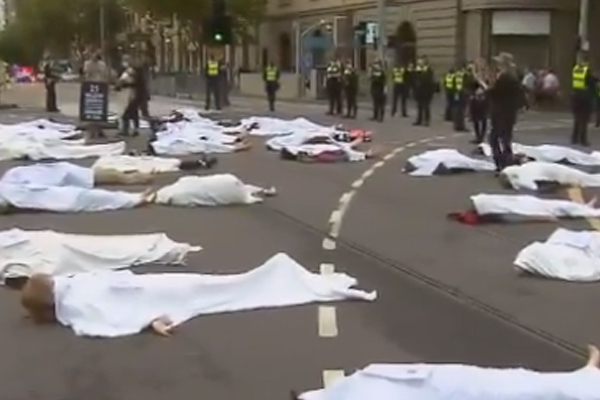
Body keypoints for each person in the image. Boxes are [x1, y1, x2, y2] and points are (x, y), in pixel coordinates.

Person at [487, 52, 523, 172]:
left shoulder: (505, 77)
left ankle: (502, 163)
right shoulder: (511, 76)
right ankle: (505, 163)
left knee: (496, 138)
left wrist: (487, 88)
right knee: (504, 138)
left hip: (502, 112)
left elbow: (496, 93)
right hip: (507, 112)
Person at [571, 57, 596, 146]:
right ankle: (583, 140)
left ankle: (574, 138)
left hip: (576, 96)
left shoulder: (575, 70)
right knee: (584, 120)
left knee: (577, 119)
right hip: (585, 98)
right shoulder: (587, 72)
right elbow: (592, 83)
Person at [116, 62, 141, 137]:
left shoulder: (131, 72)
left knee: (128, 113)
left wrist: (121, 84)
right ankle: (130, 129)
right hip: (129, 95)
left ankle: (128, 130)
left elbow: (128, 82)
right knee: (131, 113)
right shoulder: (127, 72)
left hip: (131, 95)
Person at [413, 57, 435, 126]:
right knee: (419, 106)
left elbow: (429, 81)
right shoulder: (417, 70)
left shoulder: (428, 70)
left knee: (426, 106)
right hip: (419, 92)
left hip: (426, 91)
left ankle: (427, 120)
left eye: (421, 61)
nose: (419, 63)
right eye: (418, 62)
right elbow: (414, 80)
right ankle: (419, 120)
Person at [469, 76, 489, 144]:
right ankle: (478, 136)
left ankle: (481, 136)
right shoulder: (473, 79)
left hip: (483, 102)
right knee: (475, 120)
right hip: (475, 102)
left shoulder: (486, 81)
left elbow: (488, 90)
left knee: (483, 119)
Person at [453, 63, 469, 132]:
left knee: (458, 109)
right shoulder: (464, 75)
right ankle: (460, 125)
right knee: (461, 110)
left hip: (458, 92)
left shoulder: (457, 74)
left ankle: (457, 125)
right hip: (462, 93)